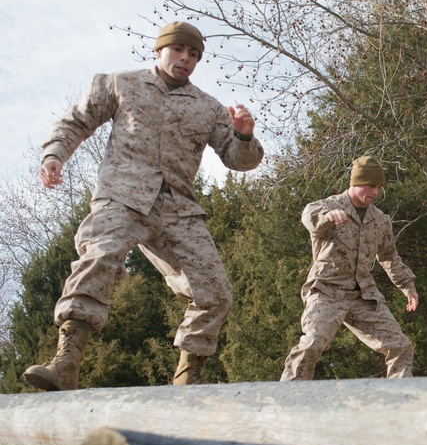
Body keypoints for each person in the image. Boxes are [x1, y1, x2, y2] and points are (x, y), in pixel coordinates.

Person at [22, 21, 264, 391]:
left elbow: (238, 159)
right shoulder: (121, 83)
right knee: (99, 257)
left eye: (193, 55)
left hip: (177, 208)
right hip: (123, 197)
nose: (185, 59)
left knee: (215, 291)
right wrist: (55, 154)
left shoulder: (208, 108)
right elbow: (77, 121)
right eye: (178, 50)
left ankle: (187, 376)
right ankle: (66, 363)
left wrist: (244, 135)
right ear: (160, 50)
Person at [281, 156, 419, 381]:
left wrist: (406, 285)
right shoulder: (329, 206)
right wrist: (327, 217)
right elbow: (309, 216)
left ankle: (399, 400)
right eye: (370, 185)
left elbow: (389, 255)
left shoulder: (380, 220)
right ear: (355, 182)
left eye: (378, 187)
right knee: (312, 344)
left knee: (400, 346)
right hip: (327, 291)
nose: (375, 192)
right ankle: (287, 397)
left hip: (362, 296)